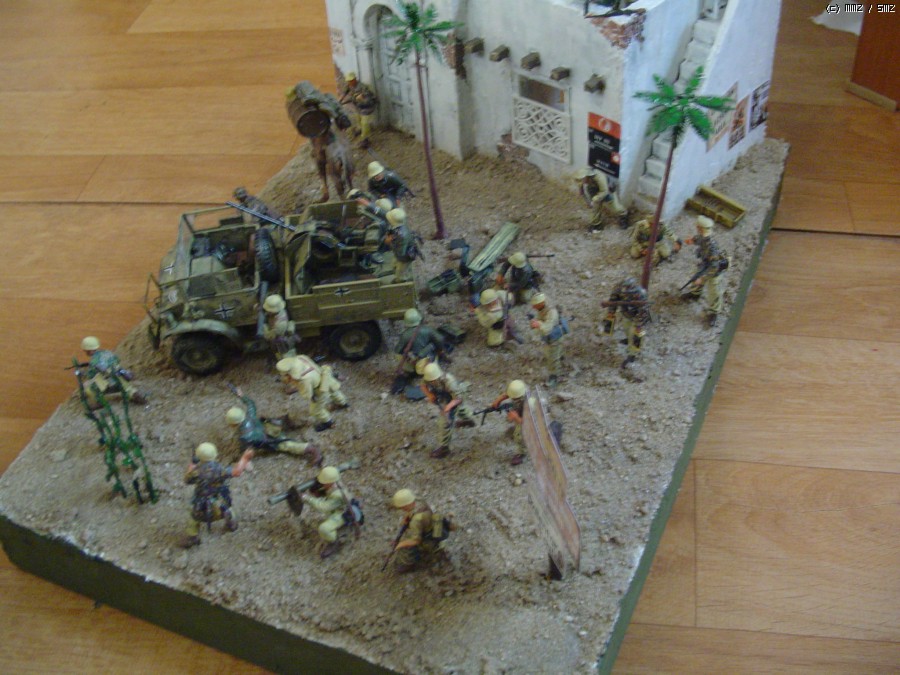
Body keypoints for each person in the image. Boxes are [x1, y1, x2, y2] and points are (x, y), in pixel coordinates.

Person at [180, 442, 253, 549]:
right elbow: (237, 472)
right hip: (218, 501)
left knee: (194, 518)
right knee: (228, 510)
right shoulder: (220, 470)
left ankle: (192, 537)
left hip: (201, 503)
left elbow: (187, 480)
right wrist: (245, 458)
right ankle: (231, 524)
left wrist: (192, 466)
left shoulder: (197, 472)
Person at [225, 386, 320, 466]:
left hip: (270, 439)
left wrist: (243, 460)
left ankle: (312, 450)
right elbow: (251, 404)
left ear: (234, 424)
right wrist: (241, 395)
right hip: (270, 427)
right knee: (282, 423)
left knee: (287, 445)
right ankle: (295, 423)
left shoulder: (245, 436)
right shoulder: (250, 415)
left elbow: (248, 450)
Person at [388, 489, 455, 573]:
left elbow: (415, 541)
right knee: (408, 535)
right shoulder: (419, 502)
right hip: (435, 525)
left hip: (430, 536)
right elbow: (414, 512)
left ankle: (409, 562)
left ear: (406, 505)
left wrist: (400, 544)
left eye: (402, 507)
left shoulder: (416, 521)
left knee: (405, 546)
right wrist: (407, 517)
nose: (401, 509)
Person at [278, 355, 348, 432]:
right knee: (334, 393)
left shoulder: (303, 380)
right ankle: (344, 403)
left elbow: (307, 394)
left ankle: (328, 423)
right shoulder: (301, 358)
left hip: (320, 390)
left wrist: (298, 389)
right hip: (324, 376)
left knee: (315, 411)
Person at [682, 216, 730, 326]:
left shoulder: (712, 246)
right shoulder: (703, 237)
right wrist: (692, 240)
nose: (696, 228)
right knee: (696, 277)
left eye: (698, 227)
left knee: (714, 292)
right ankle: (695, 293)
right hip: (706, 264)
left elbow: (714, 266)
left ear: (700, 228)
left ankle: (714, 312)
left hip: (714, 270)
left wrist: (703, 278)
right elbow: (698, 239)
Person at [420, 363, 475, 458]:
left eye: (433, 380)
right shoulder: (429, 376)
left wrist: (447, 408)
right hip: (446, 395)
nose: (431, 381)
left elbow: (458, 398)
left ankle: (444, 448)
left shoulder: (449, 381)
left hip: (456, 397)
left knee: (445, 422)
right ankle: (469, 420)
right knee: (460, 410)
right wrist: (430, 395)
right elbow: (423, 385)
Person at [77, 336, 145, 408]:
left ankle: (100, 402)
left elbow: (91, 375)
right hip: (119, 375)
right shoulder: (107, 352)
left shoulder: (94, 361)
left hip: (109, 381)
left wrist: (83, 373)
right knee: (127, 388)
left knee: (88, 388)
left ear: (88, 350)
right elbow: (117, 360)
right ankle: (133, 395)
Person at [392, 308, 447, 394]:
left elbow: (398, 351)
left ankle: (410, 370)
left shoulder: (405, 335)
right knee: (432, 348)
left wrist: (408, 357)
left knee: (398, 356)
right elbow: (440, 339)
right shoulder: (427, 330)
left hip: (414, 363)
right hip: (427, 363)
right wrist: (440, 350)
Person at [602, 277, 651, 367]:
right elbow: (613, 301)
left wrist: (638, 324)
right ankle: (628, 339)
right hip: (626, 314)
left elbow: (643, 310)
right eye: (625, 287)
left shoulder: (640, 293)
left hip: (637, 317)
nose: (626, 290)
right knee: (626, 328)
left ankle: (632, 355)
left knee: (635, 335)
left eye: (629, 287)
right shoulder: (618, 290)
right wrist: (611, 313)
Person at [529, 293, 566, 387]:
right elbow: (540, 320)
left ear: (541, 303)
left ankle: (555, 377)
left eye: (535, 305)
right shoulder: (542, 309)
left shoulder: (551, 312)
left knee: (552, 359)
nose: (533, 307)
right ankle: (560, 359)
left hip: (555, 338)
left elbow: (547, 329)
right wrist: (535, 323)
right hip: (549, 338)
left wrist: (538, 324)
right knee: (553, 354)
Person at [488, 379, 528, 465]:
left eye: (514, 398)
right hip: (519, 412)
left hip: (527, 421)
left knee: (518, 436)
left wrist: (516, 418)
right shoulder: (520, 390)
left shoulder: (528, 404)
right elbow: (508, 394)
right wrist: (498, 400)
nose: (511, 398)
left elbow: (528, 423)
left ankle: (522, 453)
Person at [340, 72, 378, 148]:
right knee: (358, 118)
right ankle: (360, 129)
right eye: (348, 81)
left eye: (351, 81)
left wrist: (346, 101)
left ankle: (365, 139)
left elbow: (362, 99)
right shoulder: (350, 85)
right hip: (359, 106)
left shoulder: (363, 88)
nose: (349, 82)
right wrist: (340, 100)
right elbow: (345, 92)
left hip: (367, 106)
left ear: (355, 79)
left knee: (365, 123)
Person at [384, 208, 420, 282]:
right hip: (400, 253)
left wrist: (390, 242)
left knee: (400, 272)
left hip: (405, 256)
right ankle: (397, 271)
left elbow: (401, 252)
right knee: (394, 264)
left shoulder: (402, 235)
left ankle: (401, 281)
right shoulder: (399, 226)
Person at [261, 294, 297, 359]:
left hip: (282, 340)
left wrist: (266, 327)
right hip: (279, 338)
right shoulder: (280, 312)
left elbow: (269, 337)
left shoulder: (280, 323)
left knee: (285, 353)